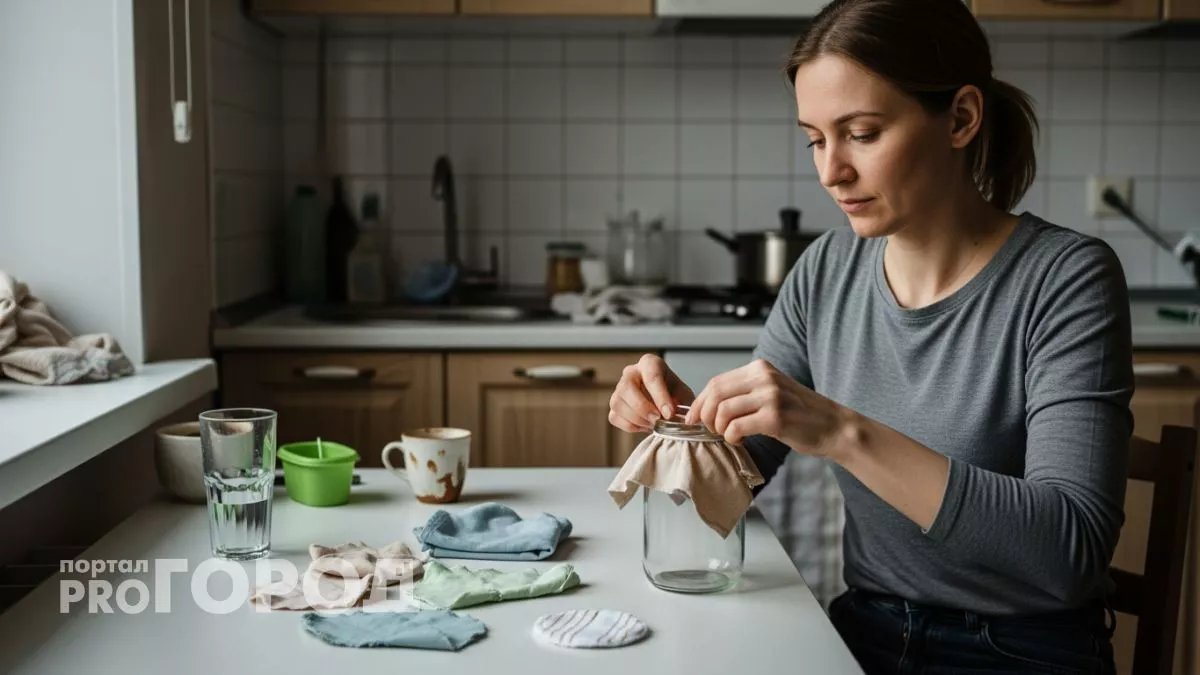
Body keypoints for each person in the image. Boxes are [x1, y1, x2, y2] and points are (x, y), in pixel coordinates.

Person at [607, 0, 1134, 672]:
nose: (831, 172)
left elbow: (1070, 553)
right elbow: (741, 469)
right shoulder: (827, 269)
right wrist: (678, 422)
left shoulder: (1066, 279)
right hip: (863, 631)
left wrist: (841, 432)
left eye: (861, 132)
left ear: (962, 119)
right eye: (816, 139)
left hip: (1020, 650)